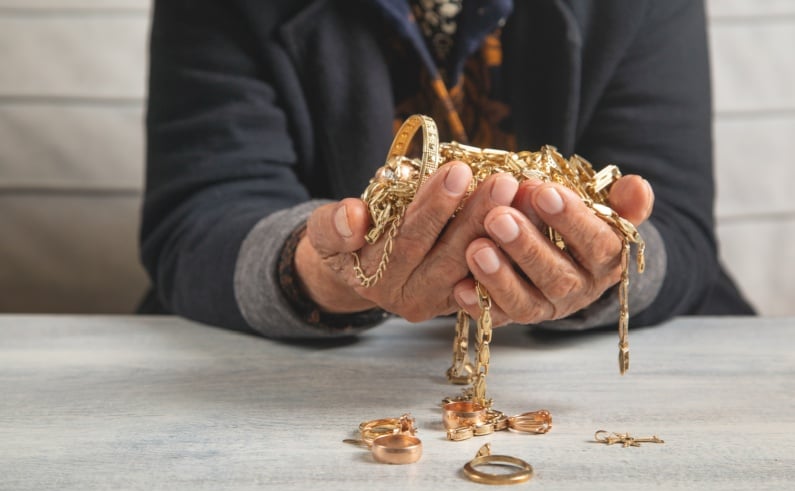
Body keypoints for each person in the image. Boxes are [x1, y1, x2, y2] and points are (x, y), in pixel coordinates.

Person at [141, 0, 754, 339]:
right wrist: (319, 272)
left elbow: (675, 226)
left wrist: (604, 261)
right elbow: (198, 221)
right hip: (290, 379)